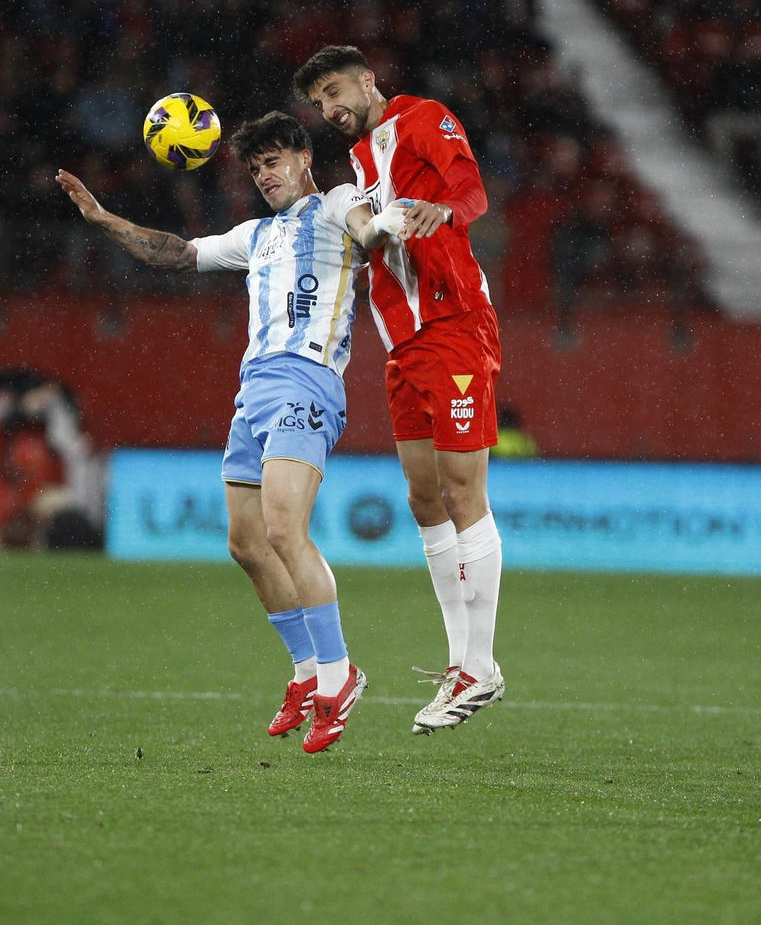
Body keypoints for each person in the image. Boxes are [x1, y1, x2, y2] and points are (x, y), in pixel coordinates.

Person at [55, 111, 403, 752]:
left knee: (283, 531)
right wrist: (104, 220)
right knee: (246, 544)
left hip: (307, 380)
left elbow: (366, 227)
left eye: (273, 161)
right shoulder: (256, 235)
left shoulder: (335, 205)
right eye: (255, 168)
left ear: (303, 157)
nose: (264, 176)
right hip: (255, 391)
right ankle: (306, 672)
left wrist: (381, 225)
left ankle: (339, 675)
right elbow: (179, 254)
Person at [295, 45, 506, 734]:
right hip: (402, 342)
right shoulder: (360, 166)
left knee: (463, 491)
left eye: (335, 91)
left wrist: (445, 212)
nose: (330, 109)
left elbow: (472, 190)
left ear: (368, 80)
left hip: (453, 324)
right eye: (319, 102)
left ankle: (480, 666)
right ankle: (460, 662)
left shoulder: (422, 118)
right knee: (423, 498)